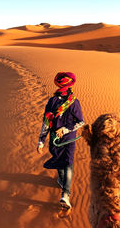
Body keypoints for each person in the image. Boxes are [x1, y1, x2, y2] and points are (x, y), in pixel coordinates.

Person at [37, 72, 85, 209]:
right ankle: (63, 183)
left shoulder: (67, 102)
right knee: (62, 162)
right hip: (57, 140)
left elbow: (80, 122)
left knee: (67, 163)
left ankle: (66, 194)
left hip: (66, 140)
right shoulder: (61, 102)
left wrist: (42, 140)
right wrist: (41, 141)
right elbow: (47, 122)